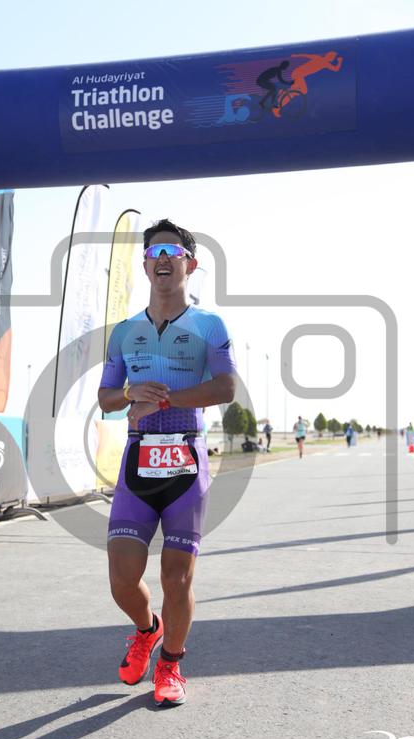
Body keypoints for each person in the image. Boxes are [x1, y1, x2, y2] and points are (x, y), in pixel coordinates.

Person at [98, 218, 236, 707]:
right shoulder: (125, 332)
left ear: (189, 265)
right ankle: (147, 629)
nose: (162, 258)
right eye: (153, 252)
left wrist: (164, 398)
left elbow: (225, 388)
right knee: (121, 579)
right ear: (144, 265)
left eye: (172, 252)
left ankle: (171, 665)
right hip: (138, 458)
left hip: (185, 459)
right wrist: (130, 393)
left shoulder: (209, 326)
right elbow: (106, 397)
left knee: (176, 578)